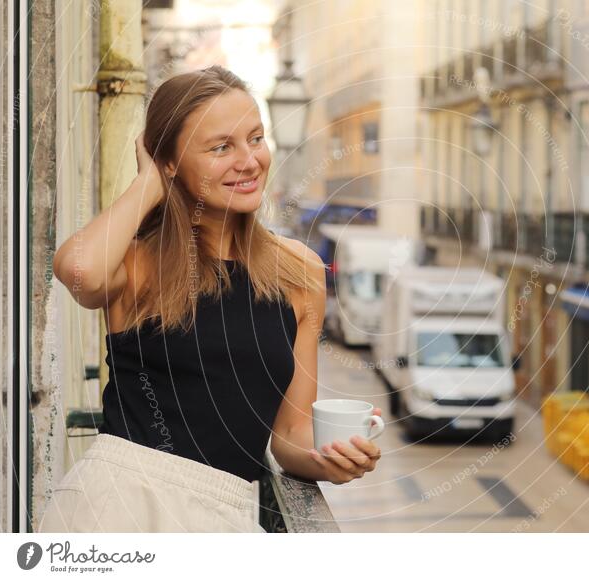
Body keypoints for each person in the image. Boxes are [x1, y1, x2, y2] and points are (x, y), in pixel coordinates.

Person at [39, 65, 382, 533]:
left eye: (255, 138)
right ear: (170, 164)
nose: (249, 160)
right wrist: (149, 182)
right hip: (119, 505)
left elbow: (288, 436)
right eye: (221, 147)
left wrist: (333, 459)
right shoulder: (137, 263)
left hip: (227, 513)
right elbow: (79, 271)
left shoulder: (299, 273)